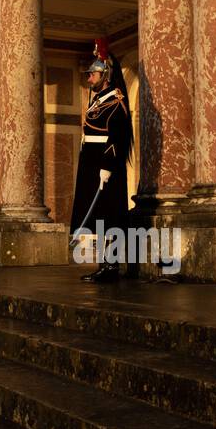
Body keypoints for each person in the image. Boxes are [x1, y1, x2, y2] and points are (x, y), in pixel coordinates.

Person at [69, 37, 133, 282]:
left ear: (105, 75)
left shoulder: (116, 103)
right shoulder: (98, 102)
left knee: (110, 215)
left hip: (106, 166)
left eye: (92, 74)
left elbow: (118, 138)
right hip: (91, 164)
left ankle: (112, 266)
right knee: (97, 218)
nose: (88, 78)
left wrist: (107, 166)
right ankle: (103, 263)